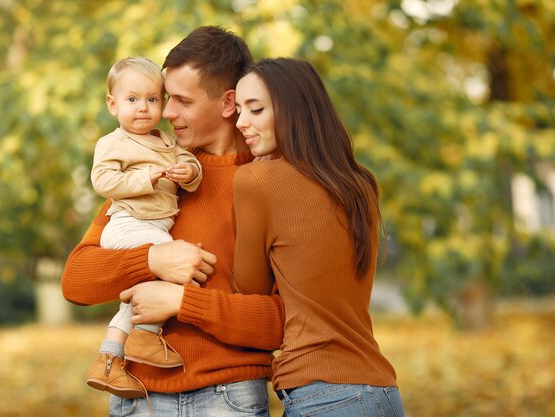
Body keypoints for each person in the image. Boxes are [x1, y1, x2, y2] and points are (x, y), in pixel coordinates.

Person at [62, 26, 284, 417]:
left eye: (180, 100)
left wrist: (184, 301)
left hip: (229, 399)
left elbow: (282, 322)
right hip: (137, 400)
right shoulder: (152, 171)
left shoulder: (269, 183)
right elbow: (77, 281)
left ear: (228, 103)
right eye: (165, 98)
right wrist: (151, 260)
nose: (164, 113)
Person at [232, 58, 406, 417]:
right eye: (238, 110)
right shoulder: (358, 184)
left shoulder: (256, 181)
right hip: (382, 394)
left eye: (256, 109)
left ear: (295, 109)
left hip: (323, 396)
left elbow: (249, 288)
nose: (240, 123)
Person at [86, 56, 203, 398]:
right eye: (132, 99)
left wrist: (190, 172)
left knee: (139, 296)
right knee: (175, 270)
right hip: (130, 224)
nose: (143, 108)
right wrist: (147, 177)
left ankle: (109, 360)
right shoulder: (114, 143)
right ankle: (146, 336)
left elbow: (188, 159)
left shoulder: (167, 142)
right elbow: (103, 179)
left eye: (152, 100)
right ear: (112, 104)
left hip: (153, 228)